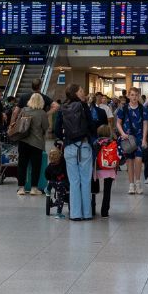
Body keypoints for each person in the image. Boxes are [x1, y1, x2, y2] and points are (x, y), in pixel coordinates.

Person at [54, 86, 96, 221]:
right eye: (81, 91)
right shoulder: (84, 106)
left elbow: (56, 129)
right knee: (85, 180)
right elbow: (92, 125)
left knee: (73, 181)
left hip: (69, 147)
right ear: (76, 93)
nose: (83, 93)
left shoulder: (63, 107)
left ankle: (75, 214)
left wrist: (65, 138)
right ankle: (87, 213)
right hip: (84, 146)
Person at [10, 93, 49, 197]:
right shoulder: (42, 113)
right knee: (36, 166)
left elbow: (18, 124)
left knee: (22, 165)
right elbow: (46, 127)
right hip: (37, 143)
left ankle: (21, 188)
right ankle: (33, 188)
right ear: (41, 102)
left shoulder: (24, 110)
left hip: (23, 141)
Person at [115, 87, 148, 195]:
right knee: (129, 162)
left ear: (138, 96)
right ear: (128, 96)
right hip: (127, 139)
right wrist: (122, 133)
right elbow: (118, 123)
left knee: (138, 160)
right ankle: (131, 185)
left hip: (138, 138)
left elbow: (145, 124)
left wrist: (144, 139)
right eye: (132, 95)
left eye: (136, 95)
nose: (134, 97)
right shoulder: (123, 108)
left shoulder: (143, 109)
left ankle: (138, 183)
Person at [93, 124, 119, 218]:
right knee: (107, 191)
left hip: (98, 168)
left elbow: (94, 154)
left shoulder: (96, 142)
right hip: (110, 168)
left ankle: (92, 208)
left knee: (94, 190)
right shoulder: (113, 141)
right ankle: (105, 212)